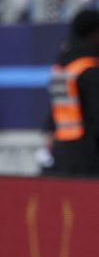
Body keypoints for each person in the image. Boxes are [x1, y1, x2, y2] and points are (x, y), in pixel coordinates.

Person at [44, 9, 99, 176]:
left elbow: (55, 110)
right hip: (88, 153)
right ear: (93, 33)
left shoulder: (62, 67)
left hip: (62, 149)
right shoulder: (89, 69)